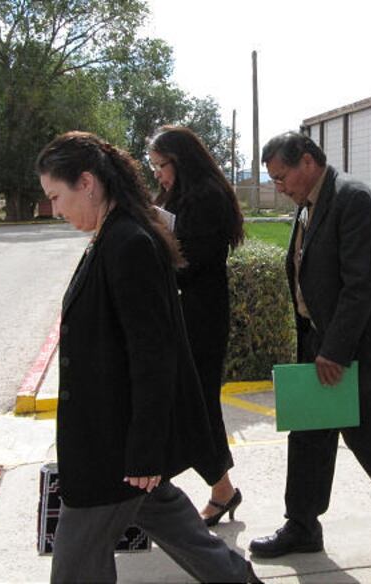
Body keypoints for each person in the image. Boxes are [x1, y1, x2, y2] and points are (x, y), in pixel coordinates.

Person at [36, 131, 260, 583]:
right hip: (117, 444)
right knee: (186, 536)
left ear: (87, 183)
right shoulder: (112, 236)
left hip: (115, 450)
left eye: (56, 197)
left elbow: (154, 356)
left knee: (75, 567)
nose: (56, 210)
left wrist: (143, 453)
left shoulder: (129, 243)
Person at [248, 131, 371, 559]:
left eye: (282, 178)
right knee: (308, 435)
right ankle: (301, 524)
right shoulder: (310, 204)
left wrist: (335, 350)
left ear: (306, 161)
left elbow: (361, 285)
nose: (279, 188)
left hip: (360, 348)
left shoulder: (351, 198)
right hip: (319, 339)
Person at [147, 125, 245, 526]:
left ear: (181, 160)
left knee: (196, 405)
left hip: (201, 316)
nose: (157, 174)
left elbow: (193, 262)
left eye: (161, 165)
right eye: (152, 166)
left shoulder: (205, 198)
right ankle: (221, 490)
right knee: (192, 405)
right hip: (184, 312)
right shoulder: (181, 194)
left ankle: (158, 492)